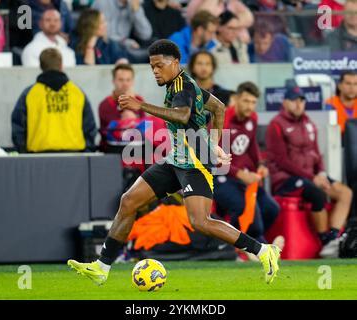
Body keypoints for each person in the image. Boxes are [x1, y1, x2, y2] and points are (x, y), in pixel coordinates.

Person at [67, 39, 281, 285]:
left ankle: (263, 250)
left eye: (159, 65)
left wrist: (141, 105)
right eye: (152, 67)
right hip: (176, 159)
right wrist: (215, 144)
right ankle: (102, 267)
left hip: (195, 163)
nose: (155, 71)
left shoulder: (183, 88)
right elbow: (219, 108)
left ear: (175, 63)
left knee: (200, 222)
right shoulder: (182, 84)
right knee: (129, 201)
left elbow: (183, 114)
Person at [266, 85, 353, 258]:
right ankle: (325, 241)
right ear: (285, 102)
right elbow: (281, 161)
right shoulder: (276, 125)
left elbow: (316, 153)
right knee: (317, 194)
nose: (298, 104)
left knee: (345, 193)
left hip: (310, 176)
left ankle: (334, 236)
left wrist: (320, 173)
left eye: (301, 100)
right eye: (294, 100)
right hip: (286, 179)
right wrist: (312, 177)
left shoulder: (309, 123)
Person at [214, 82, 281, 258]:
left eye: (253, 102)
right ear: (235, 99)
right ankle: (259, 248)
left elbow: (252, 146)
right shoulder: (222, 120)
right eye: (245, 101)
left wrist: (260, 165)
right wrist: (241, 173)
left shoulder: (252, 119)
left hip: (242, 178)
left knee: (271, 209)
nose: (249, 106)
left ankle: (250, 247)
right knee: (246, 210)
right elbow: (214, 157)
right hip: (220, 177)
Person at [12, 48, 97, 153]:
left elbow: (18, 128)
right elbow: (90, 128)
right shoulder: (77, 93)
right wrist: (87, 152)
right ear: (61, 65)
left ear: (41, 66)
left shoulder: (30, 94)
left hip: (38, 158)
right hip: (75, 156)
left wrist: (24, 153)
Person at [98, 63, 145, 151]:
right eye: (121, 80)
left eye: (128, 80)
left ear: (133, 82)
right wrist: (128, 106)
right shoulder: (105, 105)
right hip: (112, 150)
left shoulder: (139, 100)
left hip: (136, 149)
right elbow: (120, 132)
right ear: (113, 81)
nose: (125, 84)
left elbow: (144, 128)